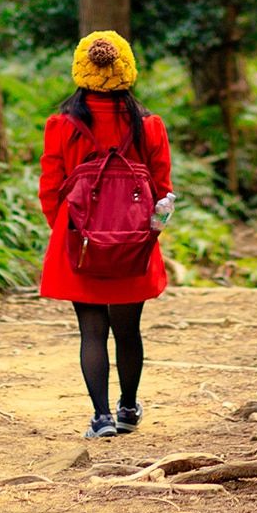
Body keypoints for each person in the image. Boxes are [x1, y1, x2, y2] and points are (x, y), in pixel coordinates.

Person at [38, 31, 173, 439]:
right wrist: (145, 234)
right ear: (127, 70)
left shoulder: (62, 125)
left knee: (91, 328)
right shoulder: (149, 125)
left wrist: (68, 229)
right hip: (132, 241)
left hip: (79, 240)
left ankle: (100, 418)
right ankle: (129, 409)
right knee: (128, 329)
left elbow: (50, 187)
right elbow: (162, 188)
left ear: (81, 70)